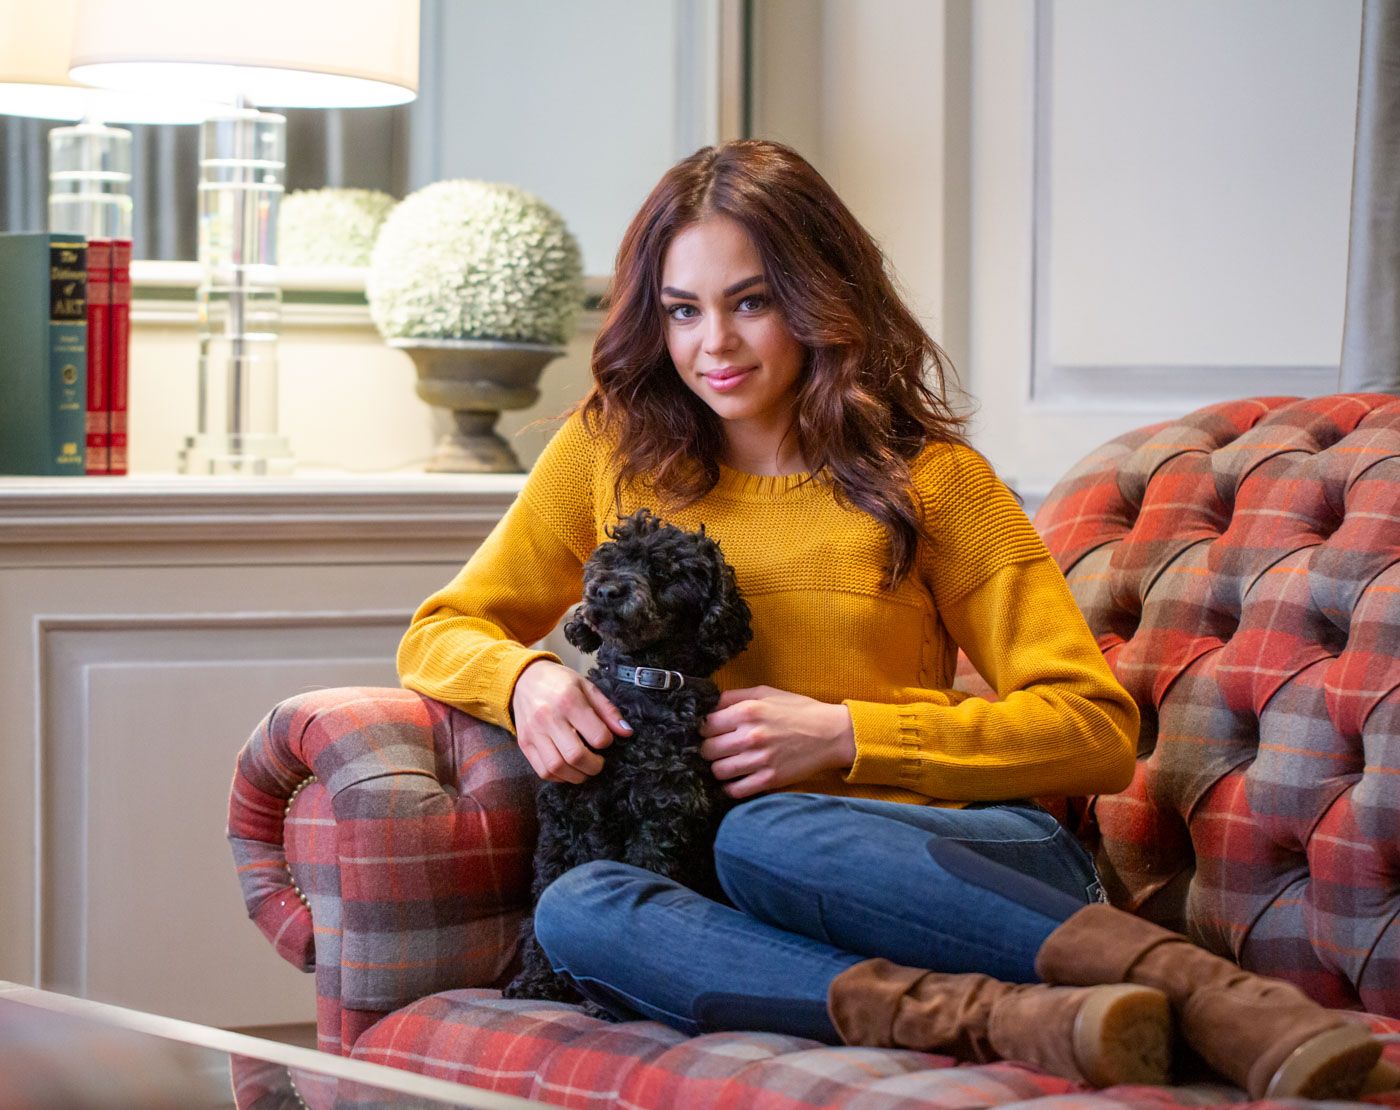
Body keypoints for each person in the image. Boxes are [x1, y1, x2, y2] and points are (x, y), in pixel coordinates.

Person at [397, 140, 1383, 1100]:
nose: (713, 344)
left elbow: (1094, 732)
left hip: (962, 861)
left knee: (765, 833)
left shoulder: (933, 483)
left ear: (819, 298)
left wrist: (847, 734)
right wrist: (525, 680)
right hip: (757, 900)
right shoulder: (608, 454)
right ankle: (1002, 1020)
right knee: (579, 908)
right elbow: (441, 631)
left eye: (751, 302)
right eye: (682, 310)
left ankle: (1219, 998)